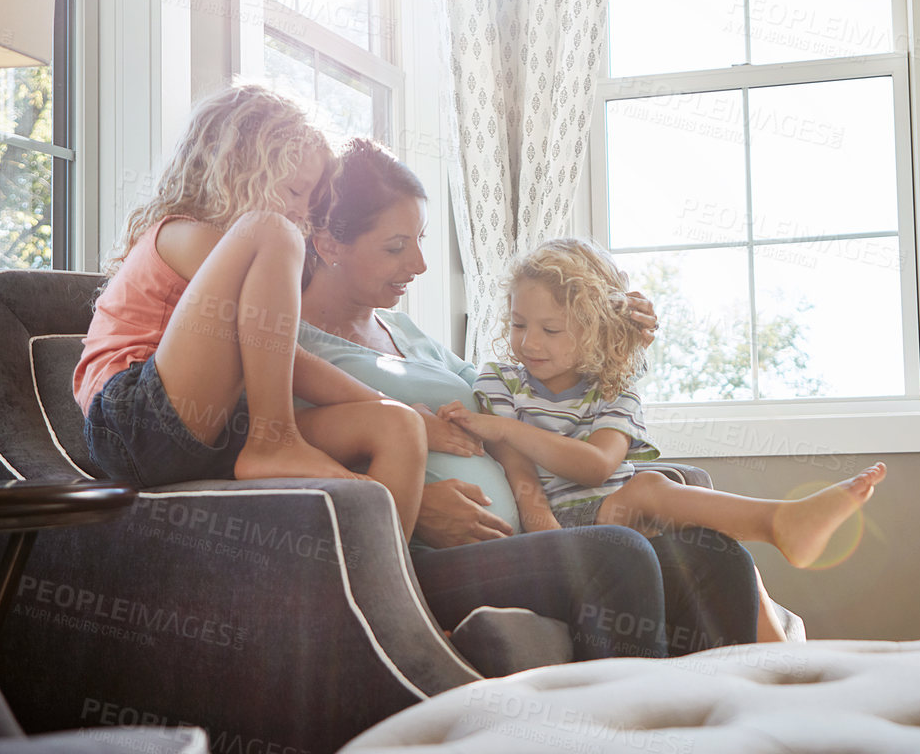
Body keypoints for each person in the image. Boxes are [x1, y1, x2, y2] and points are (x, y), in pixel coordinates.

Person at [298, 139, 764, 659]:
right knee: (615, 554)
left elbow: (519, 394)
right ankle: (624, 733)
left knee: (712, 555)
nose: (421, 263)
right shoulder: (294, 348)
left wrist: (610, 336)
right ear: (328, 243)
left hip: (531, 531)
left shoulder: (405, 330)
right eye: (396, 246)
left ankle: (716, 729)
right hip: (439, 553)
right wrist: (403, 504)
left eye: (420, 240)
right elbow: (286, 454)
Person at [437, 238, 882, 641]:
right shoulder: (500, 383)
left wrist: (508, 428)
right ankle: (779, 521)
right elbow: (519, 475)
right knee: (653, 488)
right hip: (566, 524)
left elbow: (597, 465)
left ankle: (781, 660)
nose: (529, 342)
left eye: (550, 330)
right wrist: (552, 541)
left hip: (613, 512)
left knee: (715, 542)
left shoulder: (614, 393)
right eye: (518, 325)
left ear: (596, 330)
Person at [73, 84, 427, 533]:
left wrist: (395, 405)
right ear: (239, 172)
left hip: (216, 426)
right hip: (132, 422)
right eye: (296, 191)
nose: (303, 213)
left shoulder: (237, 261)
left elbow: (278, 357)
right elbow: (288, 358)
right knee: (272, 230)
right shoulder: (181, 235)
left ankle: (373, 586)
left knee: (398, 426)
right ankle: (273, 439)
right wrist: (276, 431)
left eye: (310, 199)